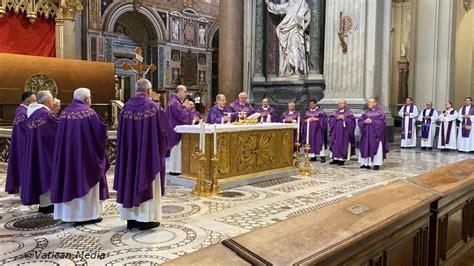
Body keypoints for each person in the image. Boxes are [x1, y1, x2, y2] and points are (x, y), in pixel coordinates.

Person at [114, 79, 170, 230]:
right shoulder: (153, 107)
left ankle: (131, 218)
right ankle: (146, 219)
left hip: (130, 156)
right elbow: (164, 130)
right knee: (147, 180)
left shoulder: (125, 108)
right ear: (148, 91)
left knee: (130, 179)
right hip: (148, 156)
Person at [50, 88, 110, 224]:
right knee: (86, 180)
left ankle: (69, 215)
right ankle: (86, 216)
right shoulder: (89, 113)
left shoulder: (64, 113)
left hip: (67, 157)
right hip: (86, 158)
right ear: (86, 99)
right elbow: (101, 134)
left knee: (68, 181)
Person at [21, 90, 58, 213]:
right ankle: (48, 205)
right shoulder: (47, 115)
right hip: (46, 152)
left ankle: (44, 204)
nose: (54, 102)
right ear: (48, 101)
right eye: (53, 99)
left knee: (40, 174)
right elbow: (57, 131)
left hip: (37, 150)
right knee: (47, 174)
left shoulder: (34, 113)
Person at [264, 0, 310, 76]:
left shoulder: (302, 3)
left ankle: (297, 69)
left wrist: (303, 25)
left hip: (296, 30)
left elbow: (309, 17)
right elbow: (277, 8)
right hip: (286, 29)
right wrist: (268, 3)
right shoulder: (289, 5)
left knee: (294, 48)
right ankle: (291, 69)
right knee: (288, 51)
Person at [5, 91, 36, 195]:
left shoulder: (20, 111)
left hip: (19, 143)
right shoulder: (24, 113)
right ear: (28, 101)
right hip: (24, 144)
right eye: (34, 100)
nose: (36, 103)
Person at [165, 85, 192, 175]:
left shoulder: (176, 102)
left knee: (178, 150)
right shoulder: (174, 103)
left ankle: (177, 168)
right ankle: (175, 169)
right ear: (179, 92)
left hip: (176, 129)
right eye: (184, 91)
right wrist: (186, 108)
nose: (186, 93)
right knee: (176, 149)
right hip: (175, 130)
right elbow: (182, 116)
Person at [358, 97, 389, 170]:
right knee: (365, 147)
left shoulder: (380, 112)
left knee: (377, 148)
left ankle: (376, 164)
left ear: (375, 103)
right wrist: (364, 122)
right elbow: (360, 121)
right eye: (368, 102)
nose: (369, 104)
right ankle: (366, 164)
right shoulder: (365, 112)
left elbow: (382, 123)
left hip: (376, 135)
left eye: (371, 102)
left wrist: (372, 122)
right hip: (366, 134)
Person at [328, 99, 356, 166]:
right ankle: (335, 159)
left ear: (345, 104)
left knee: (342, 144)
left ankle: (341, 159)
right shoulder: (335, 113)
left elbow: (352, 123)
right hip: (335, 132)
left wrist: (344, 118)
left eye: (342, 103)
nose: (340, 104)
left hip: (344, 133)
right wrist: (336, 118)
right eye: (339, 103)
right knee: (335, 144)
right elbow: (330, 120)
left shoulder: (349, 113)